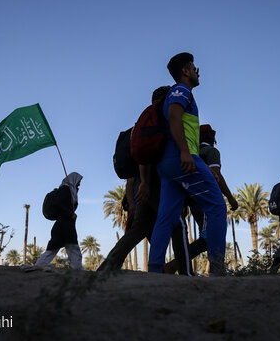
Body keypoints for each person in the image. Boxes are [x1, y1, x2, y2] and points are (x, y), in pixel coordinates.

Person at [147, 52, 228, 275]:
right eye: (194, 67)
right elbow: (174, 116)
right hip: (183, 158)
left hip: (167, 163)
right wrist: (185, 152)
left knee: (167, 216)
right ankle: (218, 271)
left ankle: (154, 270)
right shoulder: (182, 90)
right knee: (217, 207)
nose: (197, 71)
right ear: (185, 71)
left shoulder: (175, 93)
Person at [99, 87, 191, 275]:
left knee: (139, 228)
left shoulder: (142, 122)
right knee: (176, 223)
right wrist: (147, 183)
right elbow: (155, 155)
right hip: (156, 180)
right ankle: (186, 274)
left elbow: (142, 153)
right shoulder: (162, 117)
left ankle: (106, 268)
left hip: (144, 181)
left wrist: (142, 183)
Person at [163, 123, 239, 273]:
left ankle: (174, 266)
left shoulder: (192, 153)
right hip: (208, 200)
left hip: (193, 200)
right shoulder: (211, 151)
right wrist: (230, 198)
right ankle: (173, 266)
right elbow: (215, 174)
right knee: (208, 238)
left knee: (207, 237)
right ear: (212, 138)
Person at [35, 172, 84, 270]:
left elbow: (69, 205)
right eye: (79, 181)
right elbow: (60, 204)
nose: (79, 183)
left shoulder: (71, 190)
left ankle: (39, 265)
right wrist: (70, 214)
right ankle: (78, 270)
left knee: (53, 248)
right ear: (74, 179)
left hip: (61, 225)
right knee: (73, 246)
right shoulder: (66, 189)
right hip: (65, 224)